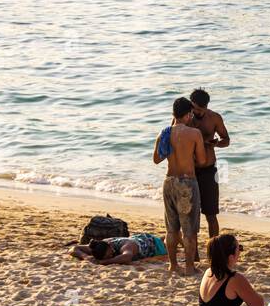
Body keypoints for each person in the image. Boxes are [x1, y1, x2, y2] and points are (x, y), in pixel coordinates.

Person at [153, 97, 206, 275]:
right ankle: (189, 267)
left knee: (171, 228)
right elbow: (202, 160)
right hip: (187, 183)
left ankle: (173, 265)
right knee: (189, 230)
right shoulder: (194, 134)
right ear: (188, 114)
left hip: (169, 182)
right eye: (191, 113)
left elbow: (156, 159)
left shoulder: (164, 133)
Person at [196, 233, 264, 306]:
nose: (240, 252)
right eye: (239, 248)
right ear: (231, 257)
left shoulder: (207, 273)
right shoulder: (235, 279)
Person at [189, 87, 230, 242]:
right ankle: (194, 254)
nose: (196, 112)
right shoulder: (184, 118)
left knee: (211, 215)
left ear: (206, 107)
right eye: (194, 108)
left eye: (200, 110)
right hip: (189, 170)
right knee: (190, 215)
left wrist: (216, 144)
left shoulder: (214, 118)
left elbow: (226, 140)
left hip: (208, 170)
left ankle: (215, 250)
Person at [71, 233, 167, 263]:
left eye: (110, 254)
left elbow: (127, 257)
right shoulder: (99, 246)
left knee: (169, 246)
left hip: (152, 244)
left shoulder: (126, 246)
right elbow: (74, 248)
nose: (111, 255)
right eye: (107, 257)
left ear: (110, 246)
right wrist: (85, 256)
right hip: (139, 238)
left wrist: (105, 262)